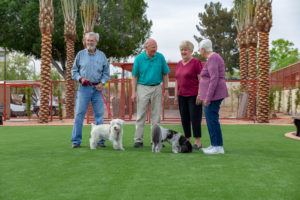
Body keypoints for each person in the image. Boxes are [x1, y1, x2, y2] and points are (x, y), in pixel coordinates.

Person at [71, 32, 110, 148]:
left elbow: (106, 73)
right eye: (88, 40)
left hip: (98, 89)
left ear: (96, 42)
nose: (89, 43)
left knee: (99, 115)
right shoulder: (80, 55)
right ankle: (76, 141)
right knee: (79, 115)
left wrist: (102, 83)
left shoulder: (102, 56)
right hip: (83, 88)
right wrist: (80, 78)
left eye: (92, 41)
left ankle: (100, 141)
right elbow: (74, 71)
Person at [131, 38, 170, 148]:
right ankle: (138, 140)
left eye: (156, 47)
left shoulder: (160, 57)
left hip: (157, 87)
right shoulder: (139, 59)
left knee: (156, 116)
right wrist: (133, 93)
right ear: (146, 47)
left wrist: (166, 90)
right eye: (153, 48)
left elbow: (165, 74)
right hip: (142, 87)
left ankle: (155, 140)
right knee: (141, 115)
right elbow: (134, 76)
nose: (155, 50)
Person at [198, 39, 229, 154]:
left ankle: (217, 147)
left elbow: (214, 78)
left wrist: (208, 97)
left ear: (203, 49)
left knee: (212, 120)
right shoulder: (213, 58)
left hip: (214, 96)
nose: (199, 52)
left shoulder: (212, 58)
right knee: (211, 119)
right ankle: (214, 144)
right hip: (213, 95)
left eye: (199, 49)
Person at [174, 40, 203, 150]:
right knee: (184, 118)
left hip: (194, 95)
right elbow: (177, 80)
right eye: (181, 50)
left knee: (195, 118)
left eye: (185, 49)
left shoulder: (196, 62)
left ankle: (198, 142)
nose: (183, 52)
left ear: (191, 51)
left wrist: (200, 94)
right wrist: (176, 96)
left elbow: (202, 79)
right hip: (182, 96)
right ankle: (187, 140)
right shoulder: (179, 64)